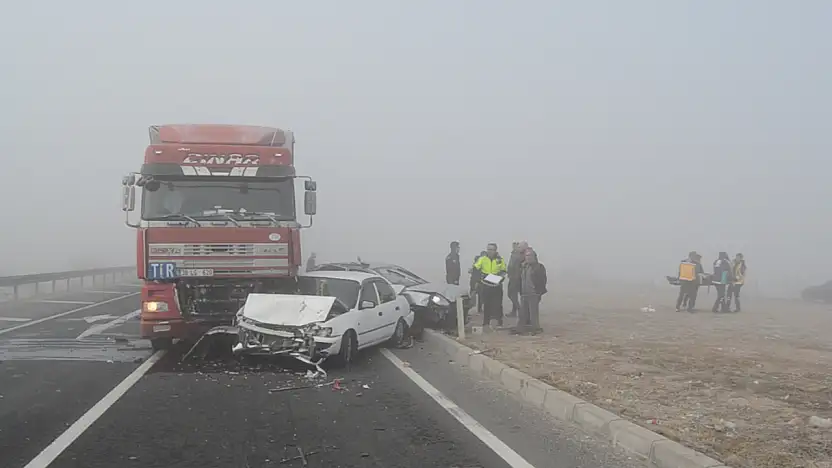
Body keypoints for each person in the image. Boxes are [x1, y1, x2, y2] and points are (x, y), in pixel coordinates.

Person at [473, 243, 507, 327]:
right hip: (486, 285)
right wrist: (478, 279)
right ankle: (486, 322)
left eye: (492, 249)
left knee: (498, 304)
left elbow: (504, 270)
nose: (490, 251)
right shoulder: (482, 259)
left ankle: (499, 321)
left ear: (495, 250)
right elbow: (475, 268)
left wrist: (499, 279)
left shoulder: (500, 259)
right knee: (487, 304)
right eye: (488, 249)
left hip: (496, 285)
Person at [516, 248, 547, 335]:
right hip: (524, 293)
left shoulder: (539, 267)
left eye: (530, 255)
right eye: (526, 256)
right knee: (523, 312)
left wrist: (539, 292)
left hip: (534, 293)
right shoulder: (523, 267)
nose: (528, 257)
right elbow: (519, 279)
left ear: (534, 257)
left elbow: (543, 280)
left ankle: (535, 328)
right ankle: (522, 328)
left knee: (533, 313)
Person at [506, 241, 528, 318]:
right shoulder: (514, 254)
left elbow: (520, 266)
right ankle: (515, 311)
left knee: (512, 294)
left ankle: (520, 310)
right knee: (512, 294)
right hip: (513, 277)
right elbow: (511, 265)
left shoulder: (522, 255)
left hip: (518, 278)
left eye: (518, 246)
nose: (516, 248)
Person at [470, 250, 487, 315]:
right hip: (476, 281)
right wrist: (476, 282)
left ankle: (479, 309)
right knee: (473, 295)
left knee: (481, 296)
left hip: (479, 281)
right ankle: (467, 308)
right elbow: (476, 273)